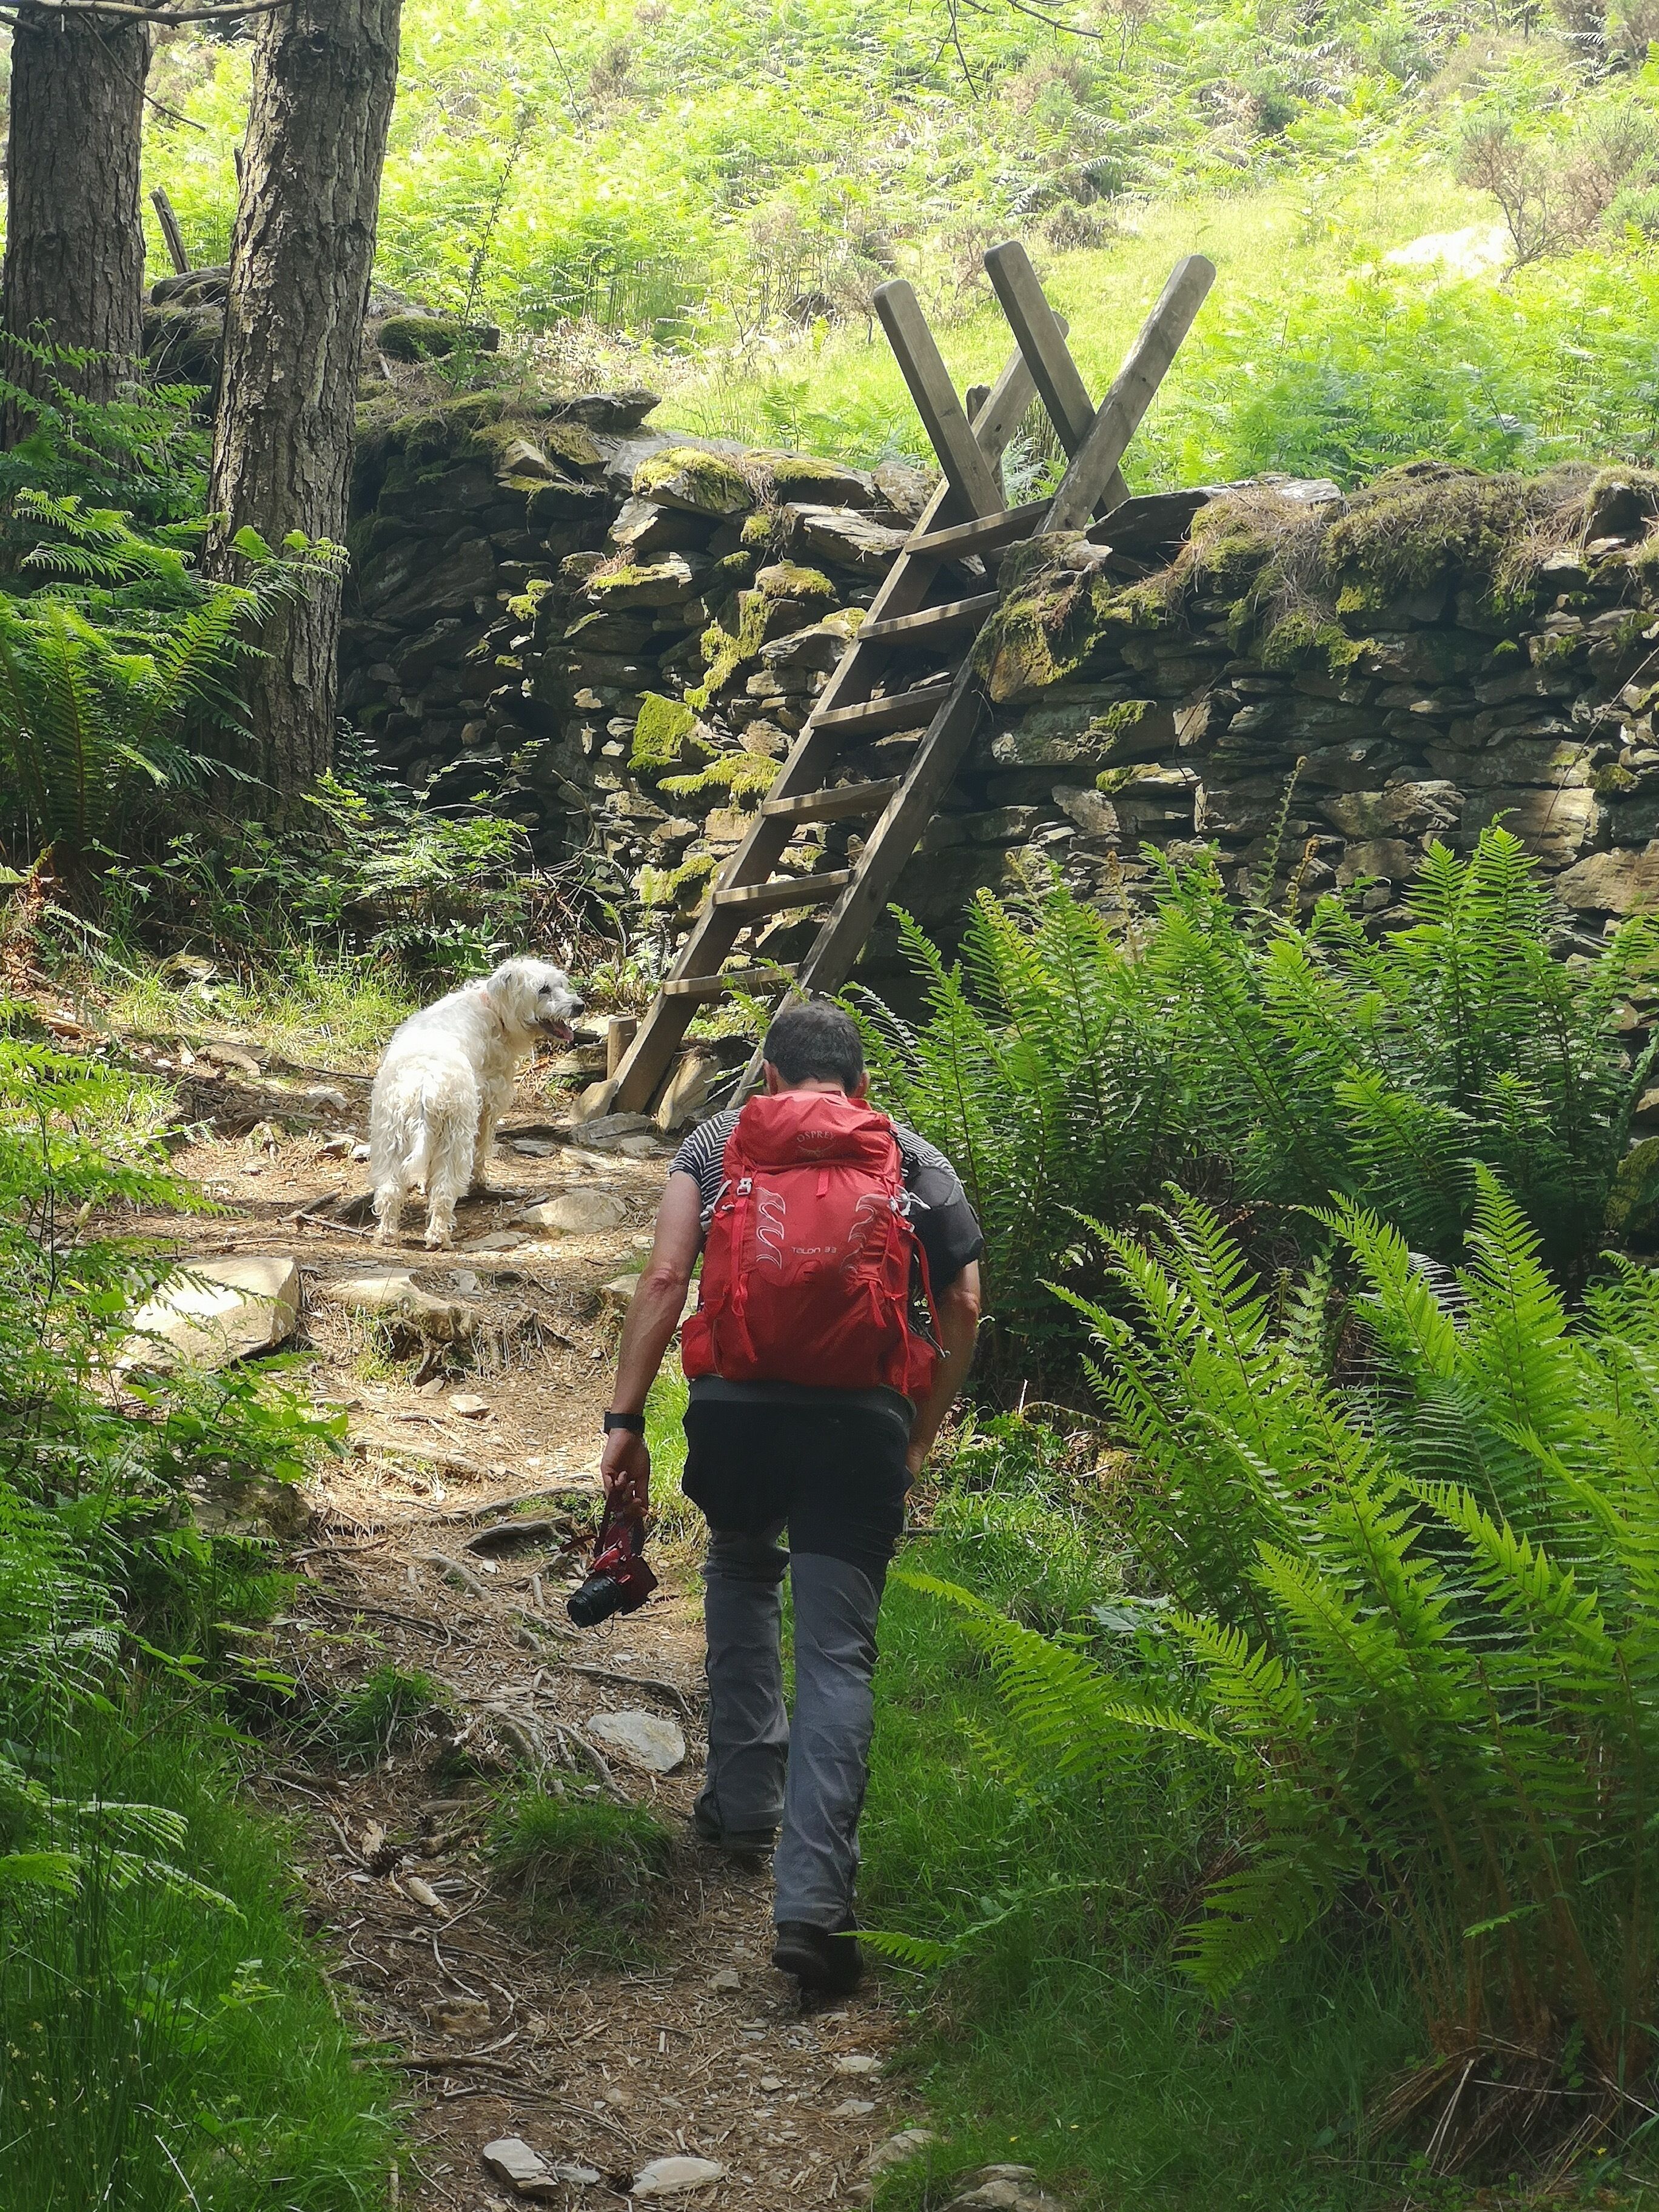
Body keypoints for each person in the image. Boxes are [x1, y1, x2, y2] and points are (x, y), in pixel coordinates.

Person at [597, 1000, 983, 1996]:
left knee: (737, 1565)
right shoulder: (909, 1152)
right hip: (861, 1422)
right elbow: (968, 1300)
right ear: (860, 1087)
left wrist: (625, 1419)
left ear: (768, 1077)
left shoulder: (718, 1142)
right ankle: (813, 1909)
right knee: (838, 1652)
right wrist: (921, 1435)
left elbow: (664, 1278)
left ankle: (741, 1800)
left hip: (736, 1410)